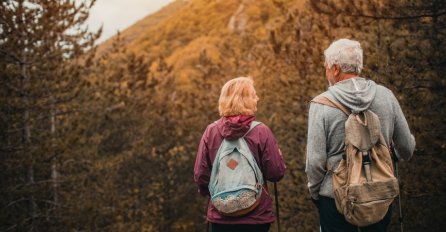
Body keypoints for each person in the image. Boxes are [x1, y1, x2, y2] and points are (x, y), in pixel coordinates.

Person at [305, 39, 416, 232]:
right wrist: (390, 157)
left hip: (335, 198)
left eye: (326, 67)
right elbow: (407, 147)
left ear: (336, 69)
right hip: (379, 196)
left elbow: (314, 162)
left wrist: (316, 194)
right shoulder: (386, 96)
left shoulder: (321, 104)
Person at [194, 77, 286, 232]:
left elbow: (201, 176)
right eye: (253, 95)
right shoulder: (261, 131)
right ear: (244, 100)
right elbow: (275, 173)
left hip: (220, 214)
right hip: (256, 216)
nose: (258, 98)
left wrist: (211, 193)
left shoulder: (211, 132)